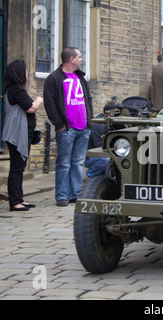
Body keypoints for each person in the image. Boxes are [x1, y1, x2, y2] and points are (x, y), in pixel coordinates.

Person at [44, 47, 93, 207]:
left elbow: (88, 99)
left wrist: (89, 121)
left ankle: (75, 194)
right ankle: (62, 196)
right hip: (67, 129)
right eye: (79, 57)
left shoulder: (81, 78)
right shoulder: (54, 78)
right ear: (71, 59)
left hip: (83, 128)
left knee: (78, 162)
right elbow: (49, 103)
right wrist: (59, 125)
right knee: (64, 163)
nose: (81, 59)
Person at [2, 60, 43, 212]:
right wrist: (39, 100)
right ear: (19, 73)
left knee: (19, 167)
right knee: (16, 168)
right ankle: (15, 202)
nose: (27, 73)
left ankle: (19, 199)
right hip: (16, 133)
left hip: (20, 131)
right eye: (25, 70)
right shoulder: (16, 90)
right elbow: (31, 108)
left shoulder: (14, 89)